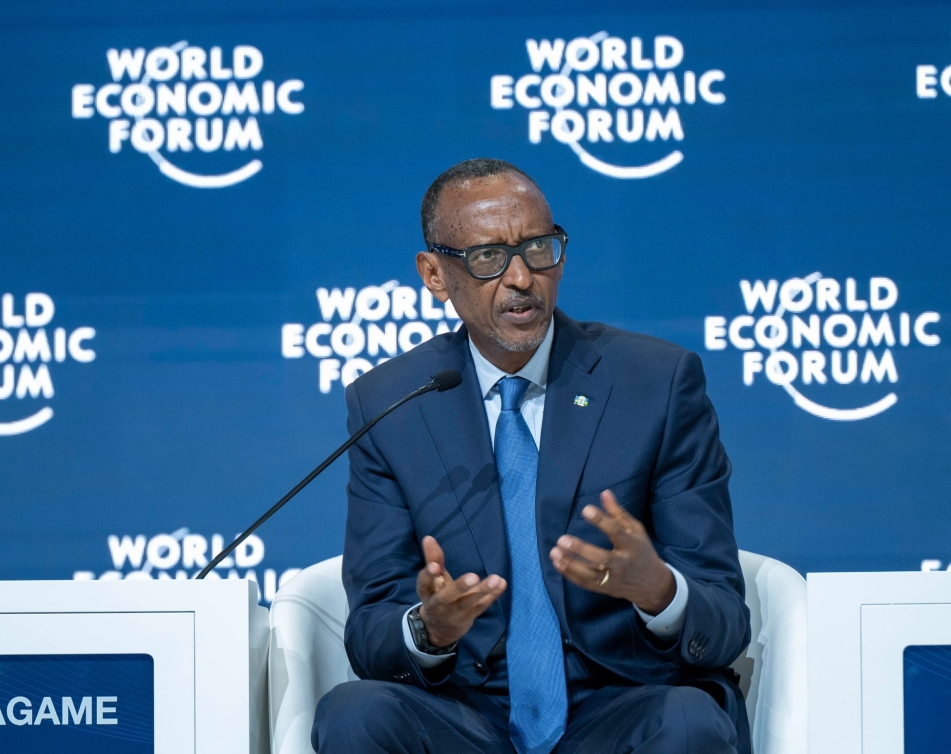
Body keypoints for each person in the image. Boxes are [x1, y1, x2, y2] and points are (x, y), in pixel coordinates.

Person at [312, 158, 751, 753]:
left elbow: (723, 612)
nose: (522, 277)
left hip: (618, 701)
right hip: (467, 716)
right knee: (354, 714)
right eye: (489, 257)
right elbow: (370, 629)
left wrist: (659, 591)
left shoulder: (656, 383)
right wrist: (429, 628)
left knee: (689, 721)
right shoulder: (393, 405)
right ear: (435, 275)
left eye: (539, 249)